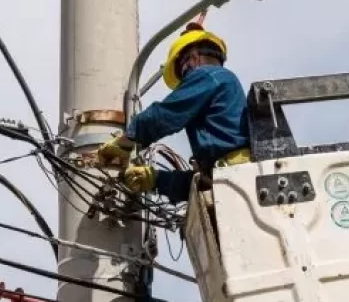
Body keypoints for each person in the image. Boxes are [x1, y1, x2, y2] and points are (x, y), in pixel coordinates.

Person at [98, 22, 251, 203]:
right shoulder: (223, 90)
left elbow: (167, 114)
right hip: (234, 186)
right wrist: (156, 180)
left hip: (234, 183)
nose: (185, 78)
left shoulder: (209, 75)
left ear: (193, 58)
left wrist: (126, 140)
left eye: (183, 69)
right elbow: (201, 184)